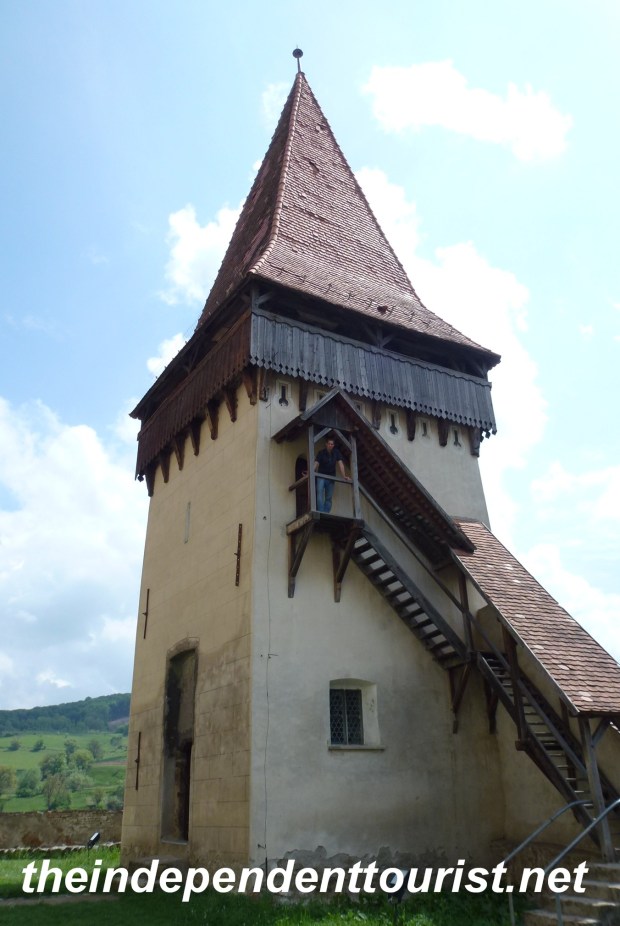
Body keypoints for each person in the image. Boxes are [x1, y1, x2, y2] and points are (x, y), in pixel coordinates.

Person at [314, 437, 350, 513]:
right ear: (326, 444)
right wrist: (310, 471)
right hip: (321, 476)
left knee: (329, 498)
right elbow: (316, 463)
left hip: (331, 478)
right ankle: (321, 512)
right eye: (329, 444)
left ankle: (326, 513)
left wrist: (344, 476)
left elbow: (341, 464)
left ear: (333, 445)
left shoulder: (336, 452)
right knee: (319, 494)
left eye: (332, 444)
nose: (330, 445)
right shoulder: (321, 453)